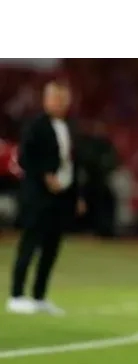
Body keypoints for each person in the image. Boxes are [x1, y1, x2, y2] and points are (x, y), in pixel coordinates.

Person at [6, 81, 85, 316]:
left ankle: (39, 297)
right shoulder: (35, 126)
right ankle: (16, 295)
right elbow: (24, 158)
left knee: (51, 248)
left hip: (62, 198)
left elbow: (73, 163)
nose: (59, 103)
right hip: (38, 197)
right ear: (46, 99)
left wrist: (77, 195)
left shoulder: (70, 127)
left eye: (63, 98)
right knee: (29, 244)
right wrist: (45, 175)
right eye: (55, 98)